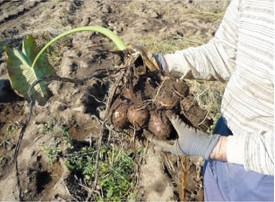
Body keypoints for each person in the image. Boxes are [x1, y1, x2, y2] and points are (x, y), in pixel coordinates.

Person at [148, 0, 274, 201]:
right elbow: (225, 53)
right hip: (225, 140)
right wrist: (162, 63)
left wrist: (215, 147)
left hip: (266, 178)